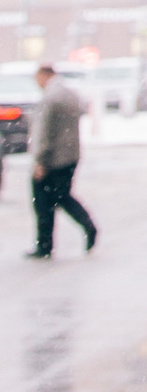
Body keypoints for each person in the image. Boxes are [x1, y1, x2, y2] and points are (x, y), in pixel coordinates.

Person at [27, 64, 95, 257]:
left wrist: (40, 160)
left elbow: (44, 132)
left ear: (44, 76)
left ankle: (45, 245)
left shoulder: (50, 98)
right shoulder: (69, 94)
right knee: (61, 196)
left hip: (52, 159)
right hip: (70, 155)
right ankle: (86, 226)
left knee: (44, 202)